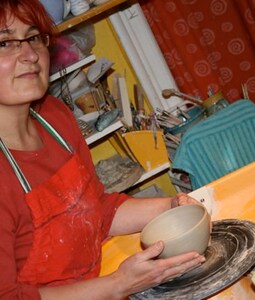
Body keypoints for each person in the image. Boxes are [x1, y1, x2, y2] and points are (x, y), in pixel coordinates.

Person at [0, 1, 205, 299]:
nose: (31, 55)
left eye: (33, 38)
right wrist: (119, 284)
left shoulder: (55, 117)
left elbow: (94, 209)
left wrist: (171, 207)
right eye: (5, 43)